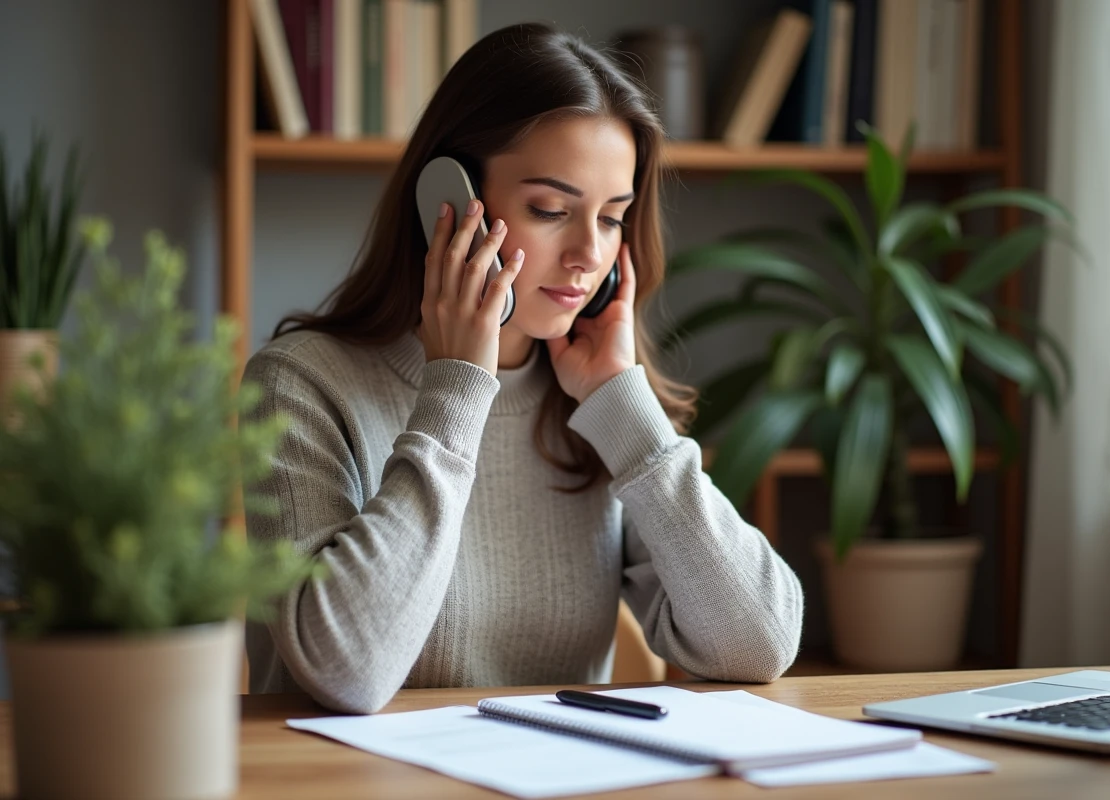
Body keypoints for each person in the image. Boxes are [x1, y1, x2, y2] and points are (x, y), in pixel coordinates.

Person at [242, 21, 803, 714]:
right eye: (550, 210)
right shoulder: (298, 384)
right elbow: (345, 670)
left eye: (611, 217)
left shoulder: (597, 407)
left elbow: (761, 642)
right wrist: (457, 389)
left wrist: (623, 407)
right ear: (444, 204)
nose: (587, 254)